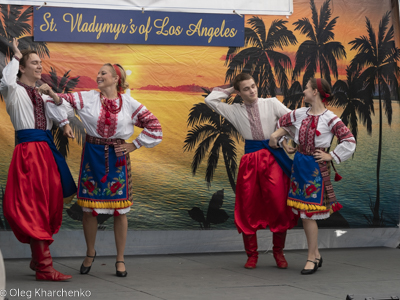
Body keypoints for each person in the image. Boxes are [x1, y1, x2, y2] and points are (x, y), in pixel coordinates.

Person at [46, 62, 162, 277]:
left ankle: (120, 259)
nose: (98, 76)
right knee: (89, 210)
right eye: (98, 73)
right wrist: (64, 123)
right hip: (92, 156)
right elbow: (57, 100)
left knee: (120, 211)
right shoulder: (88, 97)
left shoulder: (129, 104)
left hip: (117, 158)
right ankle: (90, 252)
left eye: (103, 73)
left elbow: (155, 126)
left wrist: (134, 145)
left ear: (116, 78)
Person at [204, 73, 299, 269]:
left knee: (279, 206)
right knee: (247, 207)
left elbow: (295, 119)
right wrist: (232, 89)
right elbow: (210, 99)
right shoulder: (234, 110)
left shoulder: (271, 103)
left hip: (274, 158)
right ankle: (252, 255)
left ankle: (278, 253)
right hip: (250, 162)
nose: (252, 91)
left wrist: (280, 136)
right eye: (246, 89)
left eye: (253, 86)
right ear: (239, 92)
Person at [1, 38, 76, 281]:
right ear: (22, 67)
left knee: (48, 202)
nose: (39, 66)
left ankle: (37, 260)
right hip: (29, 152)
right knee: (35, 205)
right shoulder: (13, 90)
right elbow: (6, 80)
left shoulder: (41, 93)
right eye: (34, 63)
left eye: (40, 63)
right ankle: (44, 267)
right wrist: (15, 55)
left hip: (45, 150)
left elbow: (65, 112)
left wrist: (53, 95)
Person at [270, 78, 356, 275]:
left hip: (315, 169)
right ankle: (315, 255)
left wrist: (331, 155)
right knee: (303, 214)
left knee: (308, 215)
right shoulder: (300, 113)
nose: (303, 92)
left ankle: (311, 258)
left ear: (316, 92)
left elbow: (349, 141)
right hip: (299, 165)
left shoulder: (330, 119)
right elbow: (282, 123)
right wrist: (285, 142)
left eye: (306, 89)